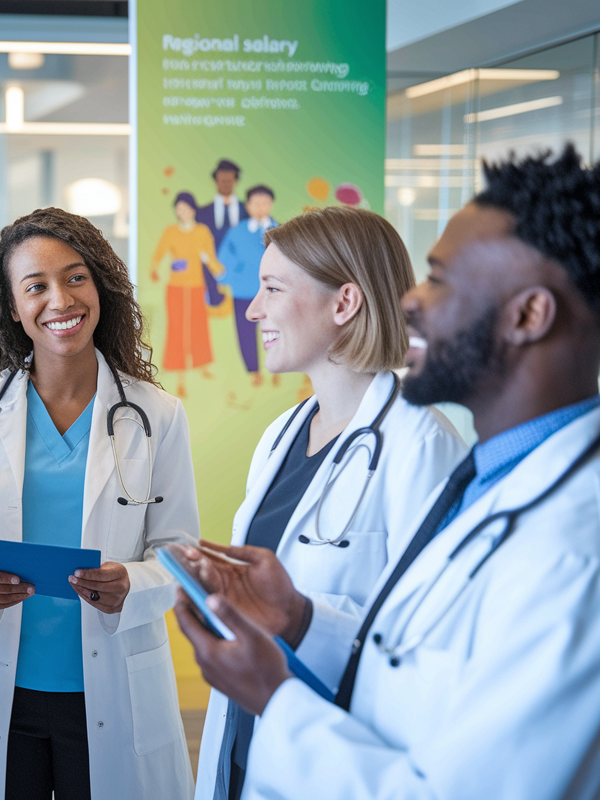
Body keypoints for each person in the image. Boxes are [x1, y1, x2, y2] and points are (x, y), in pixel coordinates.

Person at [175, 145, 600, 799]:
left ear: (528, 315)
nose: (411, 301)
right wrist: (301, 621)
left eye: (441, 279)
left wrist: (274, 698)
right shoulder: (496, 478)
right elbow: (418, 672)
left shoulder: (576, 559)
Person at [187, 203, 468, 799]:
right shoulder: (282, 434)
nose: (254, 308)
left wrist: (302, 615)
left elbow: (431, 646)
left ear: (344, 303)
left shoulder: (420, 443)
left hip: (340, 756)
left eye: (271, 288)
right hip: (250, 734)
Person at [0, 208, 200, 800]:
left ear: (100, 287)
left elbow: (179, 553)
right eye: (36, 287)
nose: (60, 299)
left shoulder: (156, 416)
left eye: (75, 278)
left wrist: (135, 581)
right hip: (2, 689)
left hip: (112, 687)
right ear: (15, 308)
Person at [150, 192, 223, 395]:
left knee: (199, 327)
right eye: (179, 209)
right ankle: (180, 377)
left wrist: (214, 266)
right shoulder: (171, 231)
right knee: (177, 329)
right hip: (175, 288)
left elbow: (211, 258)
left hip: (196, 287)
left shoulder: (202, 231)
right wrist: (155, 269)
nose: (183, 213)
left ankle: (203, 366)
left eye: (186, 209)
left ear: (193, 210)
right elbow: (158, 254)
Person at [217, 185, 279, 386]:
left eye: (265, 202)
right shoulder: (237, 232)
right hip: (243, 291)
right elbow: (224, 260)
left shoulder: (280, 231)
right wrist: (236, 276)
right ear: (249, 205)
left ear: (271, 204)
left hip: (273, 293)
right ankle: (253, 371)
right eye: (257, 203)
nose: (261, 207)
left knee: (277, 328)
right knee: (245, 333)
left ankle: (278, 367)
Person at [197, 159, 243, 247]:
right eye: (222, 180)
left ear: (236, 182)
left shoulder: (248, 211)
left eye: (229, 180)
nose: (225, 184)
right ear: (215, 181)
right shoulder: (201, 214)